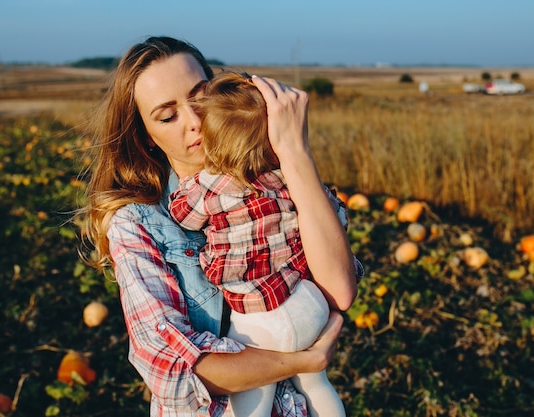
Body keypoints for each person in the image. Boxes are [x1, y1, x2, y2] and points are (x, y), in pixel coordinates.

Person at [79, 36, 359, 417]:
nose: (194, 122)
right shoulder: (138, 223)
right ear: (147, 137)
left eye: (199, 97)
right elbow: (172, 374)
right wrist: (301, 362)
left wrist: (295, 152)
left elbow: (339, 291)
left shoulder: (276, 174)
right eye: (168, 115)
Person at [169, 71, 362, 417]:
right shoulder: (286, 178)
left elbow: (184, 215)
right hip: (308, 305)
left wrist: (188, 182)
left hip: (257, 324)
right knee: (317, 384)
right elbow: (335, 217)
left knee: (250, 397)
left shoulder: (209, 187)